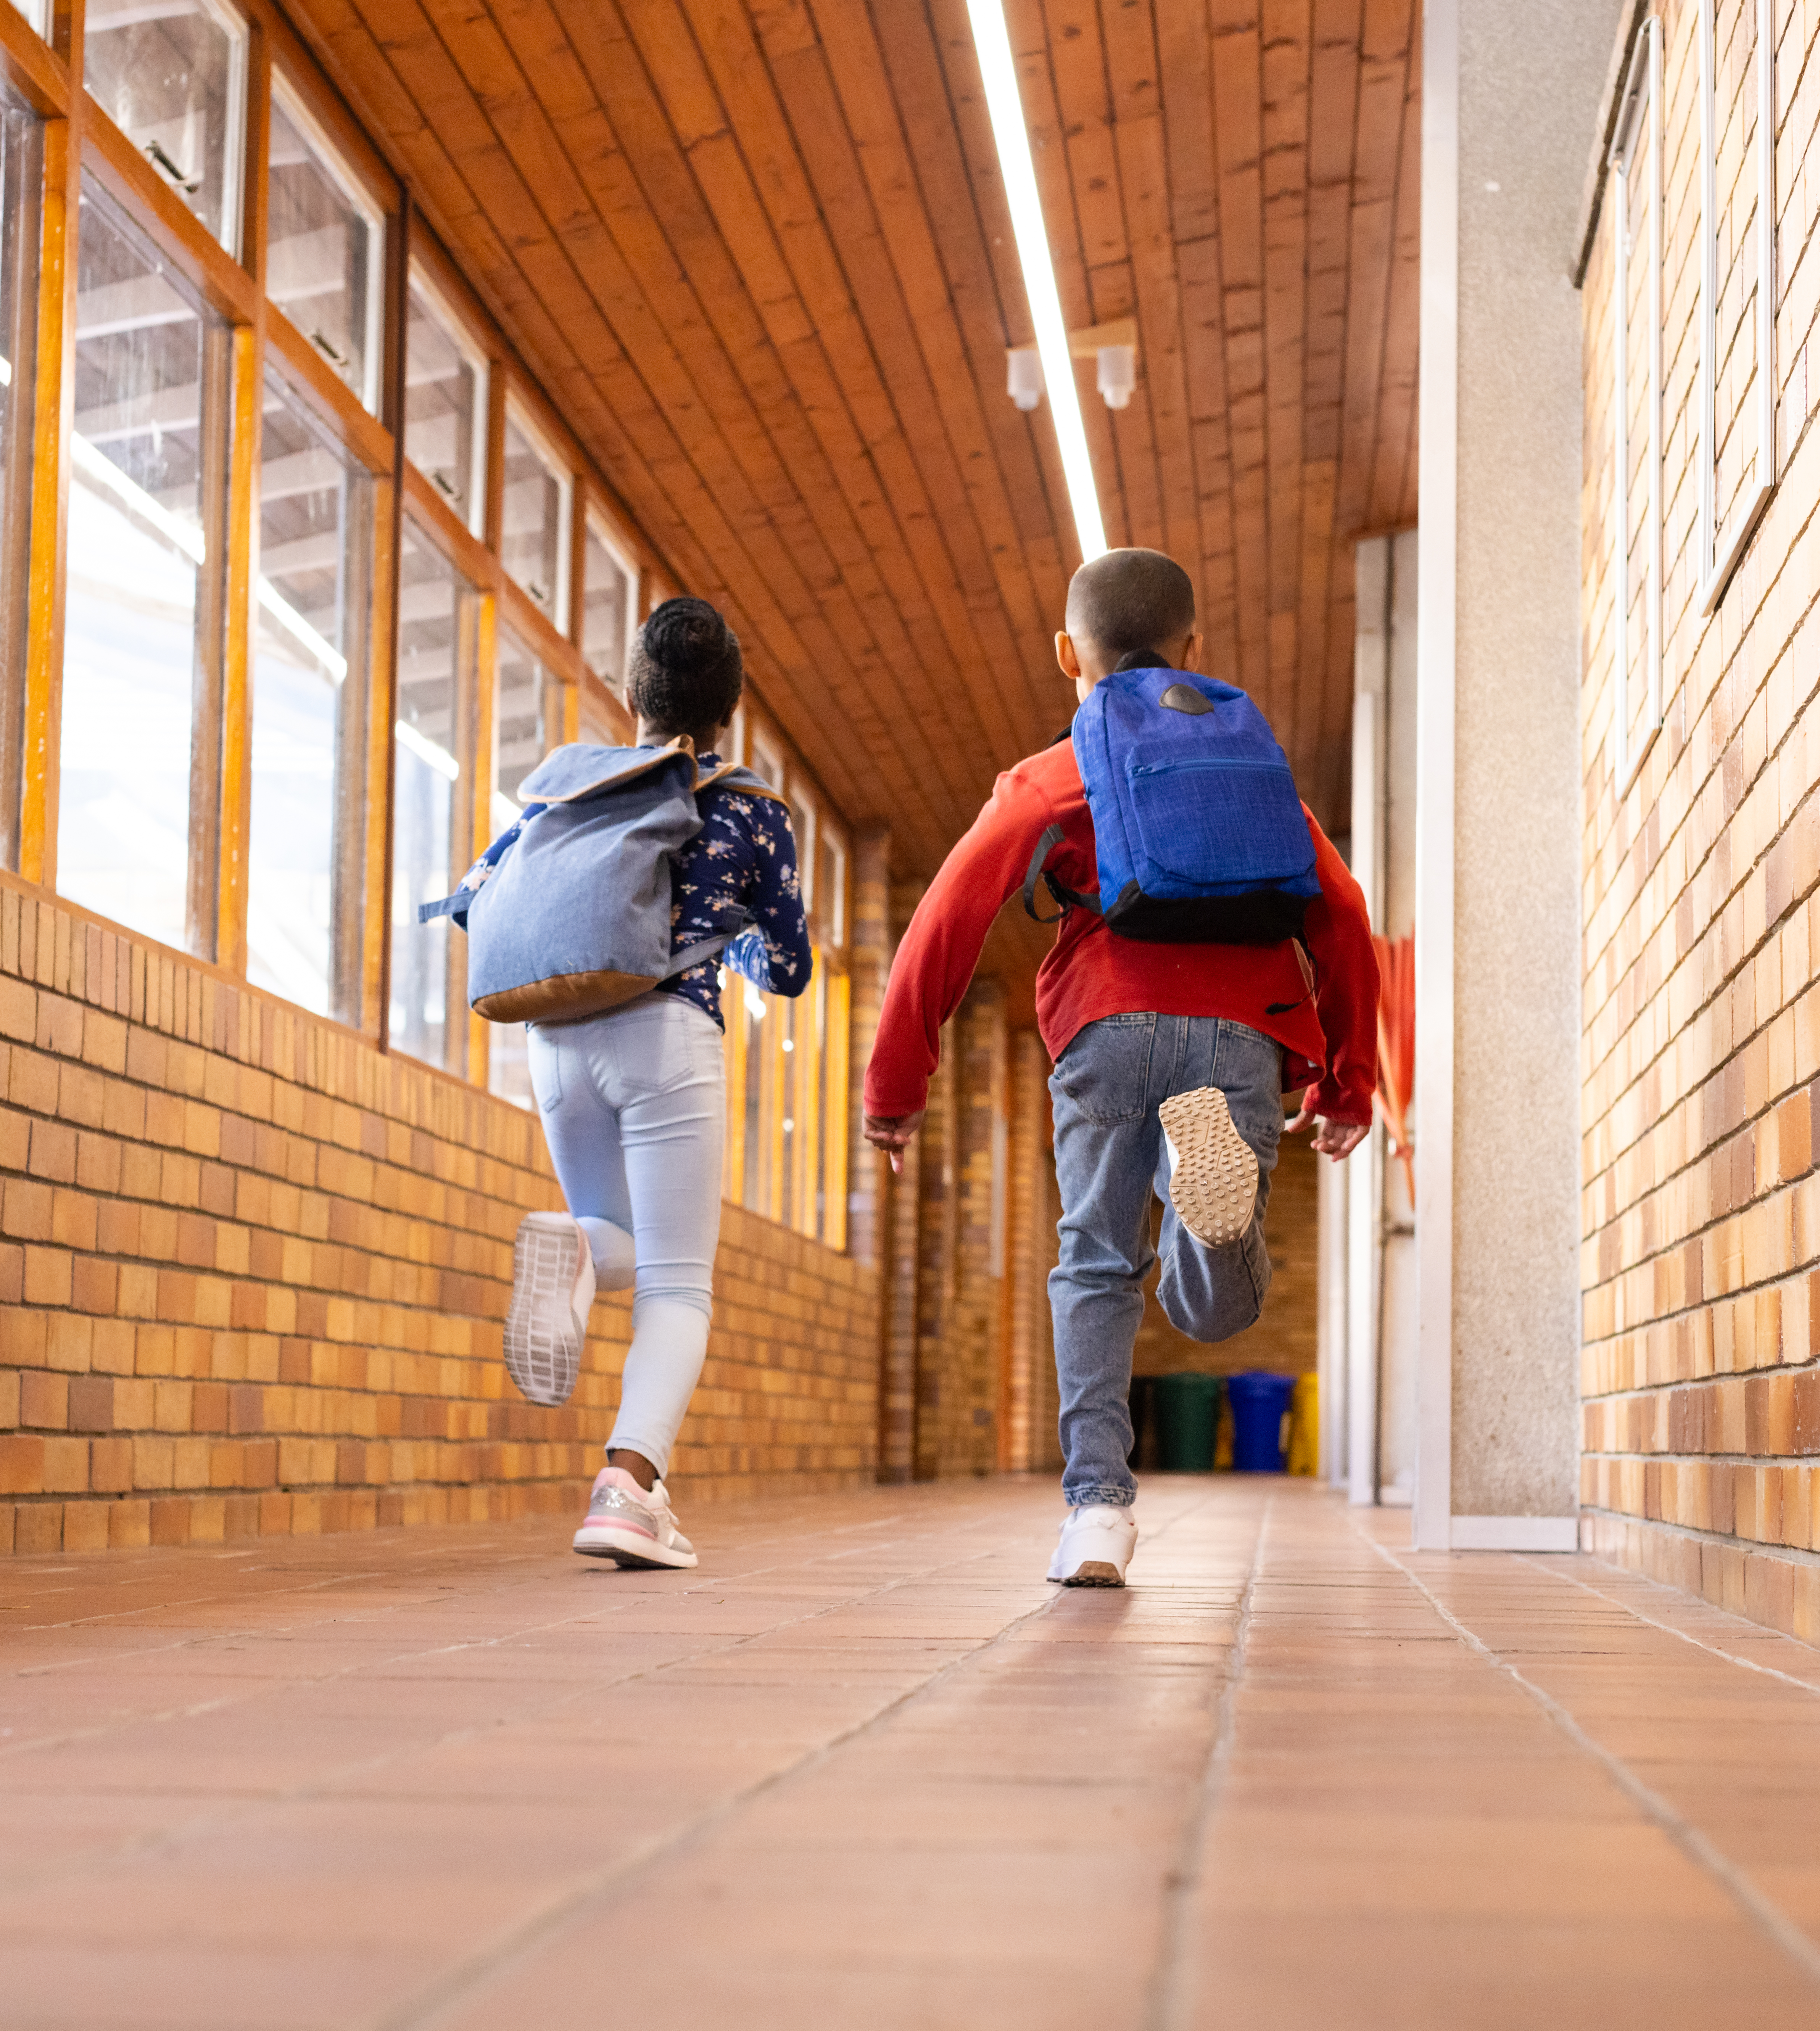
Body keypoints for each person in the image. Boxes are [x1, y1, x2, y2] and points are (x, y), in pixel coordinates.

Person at [863, 549, 1377, 1587]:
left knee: (1093, 1259)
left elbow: (948, 914)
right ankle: (1207, 1218)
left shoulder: (1054, 773)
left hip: (1104, 1026)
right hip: (1237, 1031)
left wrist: (895, 1084)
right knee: (1212, 1308)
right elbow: (1344, 913)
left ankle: (1096, 1511)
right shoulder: (1252, 773)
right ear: (1194, 650)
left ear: (1068, 653)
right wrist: (1345, 1079)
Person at [464, 598, 811, 1572]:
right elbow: (788, 968)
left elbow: (478, 897)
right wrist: (731, 932)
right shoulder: (747, 807)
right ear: (729, 713)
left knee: (611, 1240)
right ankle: (629, 1488)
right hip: (666, 1036)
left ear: (630, 697)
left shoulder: (564, 792)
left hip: (554, 1039)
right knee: (677, 1286)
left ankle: (569, 1247)